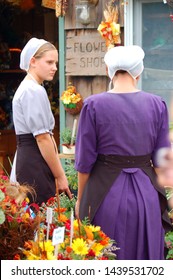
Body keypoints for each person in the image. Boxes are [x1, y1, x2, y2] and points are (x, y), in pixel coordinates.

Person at [74, 45, 172, 260]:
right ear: (139, 71)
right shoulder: (157, 104)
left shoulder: (93, 105)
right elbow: (162, 160)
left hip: (104, 194)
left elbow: (84, 161)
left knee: (106, 256)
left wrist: (81, 200)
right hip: (146, 195)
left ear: (108, 69)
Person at [11, 37, 72, 205]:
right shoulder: (32, 90)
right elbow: (42, 138)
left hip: (32, 157)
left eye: (56, 63)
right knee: (41, 215)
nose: (54, 68)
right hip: (34, 159)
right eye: (49, 62)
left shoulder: (32, 88)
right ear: (33, 61)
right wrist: (60, 176)